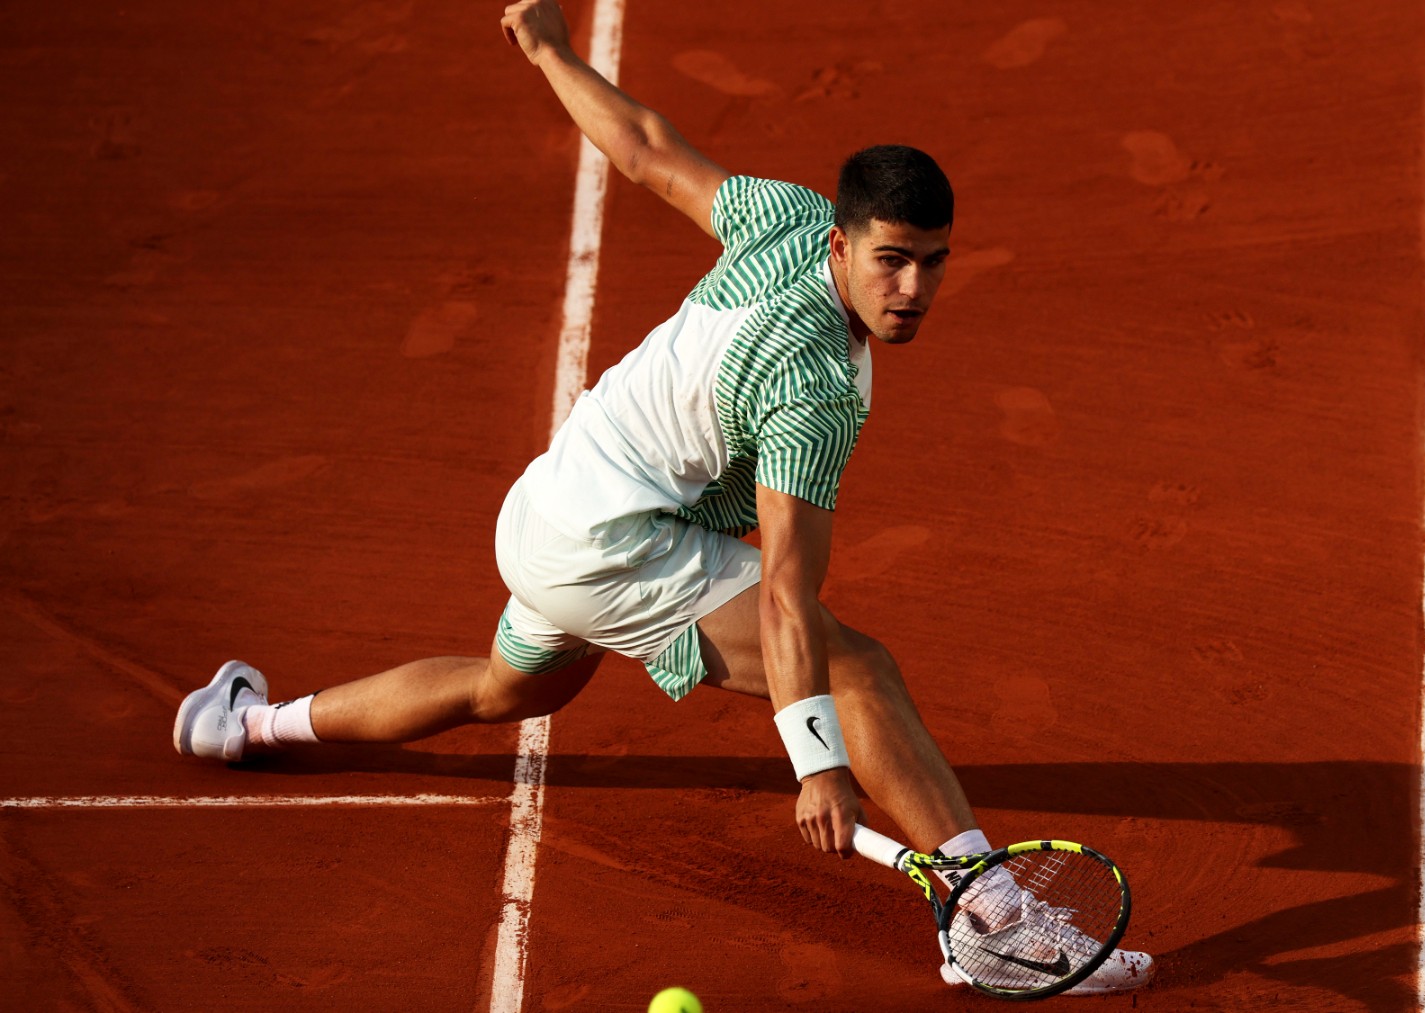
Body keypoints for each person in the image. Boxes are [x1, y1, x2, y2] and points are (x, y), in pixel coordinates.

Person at [173, 0, 1151, 995]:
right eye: (891, 259)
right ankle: (989, 912)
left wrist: (551, 52)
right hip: (611, 542)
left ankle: (247, 724)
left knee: (508, 692)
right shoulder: (808, 392)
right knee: (857, 668)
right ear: (847, 242)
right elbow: (782, 597)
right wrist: (816, 755)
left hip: (550, 507)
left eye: (933, 262)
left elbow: (645, 148)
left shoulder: (784, 215)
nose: (912, 288)